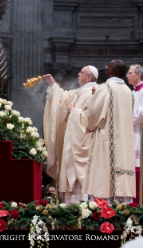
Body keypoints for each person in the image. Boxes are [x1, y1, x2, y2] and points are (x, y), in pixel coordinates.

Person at [71, 60, 135, 201]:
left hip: (106, 140)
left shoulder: (105, 88)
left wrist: (82, 118)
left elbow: (93, 114)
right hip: (124, 143)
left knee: (104, 186)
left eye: (107, 67)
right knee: (121, 186)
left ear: (111, 70)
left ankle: (102, 214)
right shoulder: (128, 91)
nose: (105, 69)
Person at [44, 65, 99, 204]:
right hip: (72, 139)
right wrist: (52, 84)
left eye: (81, 73)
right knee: (69, 170)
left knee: (82, 174)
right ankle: (69, 207)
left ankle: (85, 209)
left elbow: (93, 118)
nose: (78, 74)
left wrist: (73, 112)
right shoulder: (78, 92)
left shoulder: (96, 92)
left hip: (85, 141)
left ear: (89, 77)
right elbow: (61, 97)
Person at [126, 64, 143, 203]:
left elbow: (140, 113)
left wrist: (123, 119)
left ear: (138, 75)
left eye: (130, 73)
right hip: (130, 134)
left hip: (139, 134)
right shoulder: (132, 92)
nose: (127, 75)